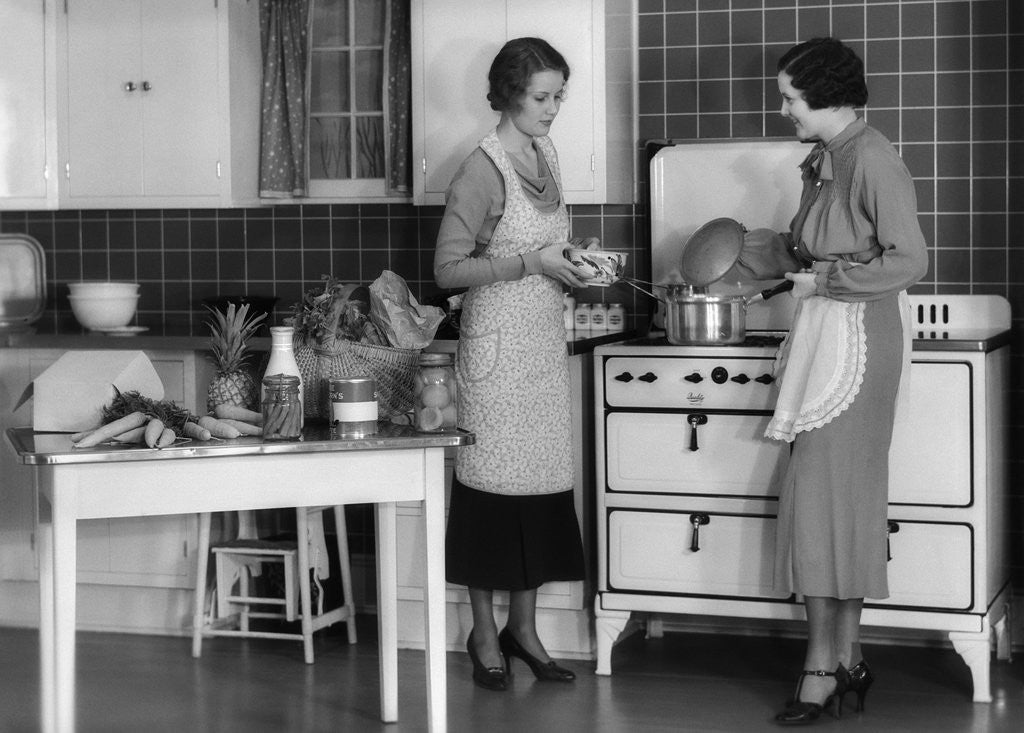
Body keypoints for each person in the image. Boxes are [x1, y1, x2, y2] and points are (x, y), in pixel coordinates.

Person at [726, 38, 929, 725]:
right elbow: (805, 246)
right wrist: (743, 261)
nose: (783, 108)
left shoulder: (872, 158)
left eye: (790, 96)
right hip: (826, 332)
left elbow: (909, 259)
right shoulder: (825, 160)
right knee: (830, 500)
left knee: (825, 497)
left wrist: (825, 280)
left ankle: (820, 663)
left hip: (864, 339)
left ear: (827, 95)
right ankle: (846, 658)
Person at [433, 37, 598, 692]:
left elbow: (548, 243)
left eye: (559, 95)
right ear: (507, 94)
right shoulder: (481, 169)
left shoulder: (545, 153)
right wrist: (533, 263)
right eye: (542, 96)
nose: (554, 108)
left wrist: (575, 262)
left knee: (540, 488)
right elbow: (448, 269)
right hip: (497, 351)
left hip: (540, 345)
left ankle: (523, 630)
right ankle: (483, 632)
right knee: (491, 492)